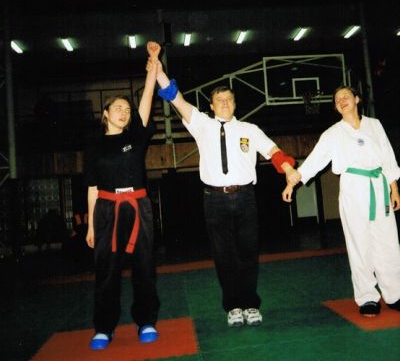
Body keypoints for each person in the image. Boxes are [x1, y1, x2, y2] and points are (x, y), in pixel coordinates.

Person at [152, 49, 298, 327]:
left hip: (245, 197)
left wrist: (289, 169)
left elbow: (274, 151)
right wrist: (159, 71)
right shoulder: (201, 124)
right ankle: (233, 306)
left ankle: (250, 305)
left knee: (248, 253)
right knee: (223, 255)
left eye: (229, 99)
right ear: (211, 105)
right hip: (214, 200)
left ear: (235, 104)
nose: (224, 103)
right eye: (219, 100)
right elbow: (175, 97)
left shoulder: (250, 129)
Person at [283, 86, 400, 317]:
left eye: (346, 96)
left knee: (387, 242)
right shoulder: (333, 133)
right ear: (336, 107)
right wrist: (292, 183)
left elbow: (387, 156)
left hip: (379, 185)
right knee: (359, 243)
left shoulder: (374, 125)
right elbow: (314, 161)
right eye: (337, 99)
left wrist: (393, 188)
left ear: (357, 99)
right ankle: (367, 297)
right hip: (353, 187)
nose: (342, 100)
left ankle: (395, 293)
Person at [84, 42, 161, 350]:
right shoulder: (94, 147)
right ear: (105, 114)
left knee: (144, 266)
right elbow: (92, 188)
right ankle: (104, 328)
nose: (124, 112)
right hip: (106, 208)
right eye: (117, 108)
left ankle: (146, 321)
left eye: (127, 110)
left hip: (138, 206)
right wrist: (91, 226)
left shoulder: (136, 137)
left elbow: (147, 98)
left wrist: (153, 66)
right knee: (107, 270)